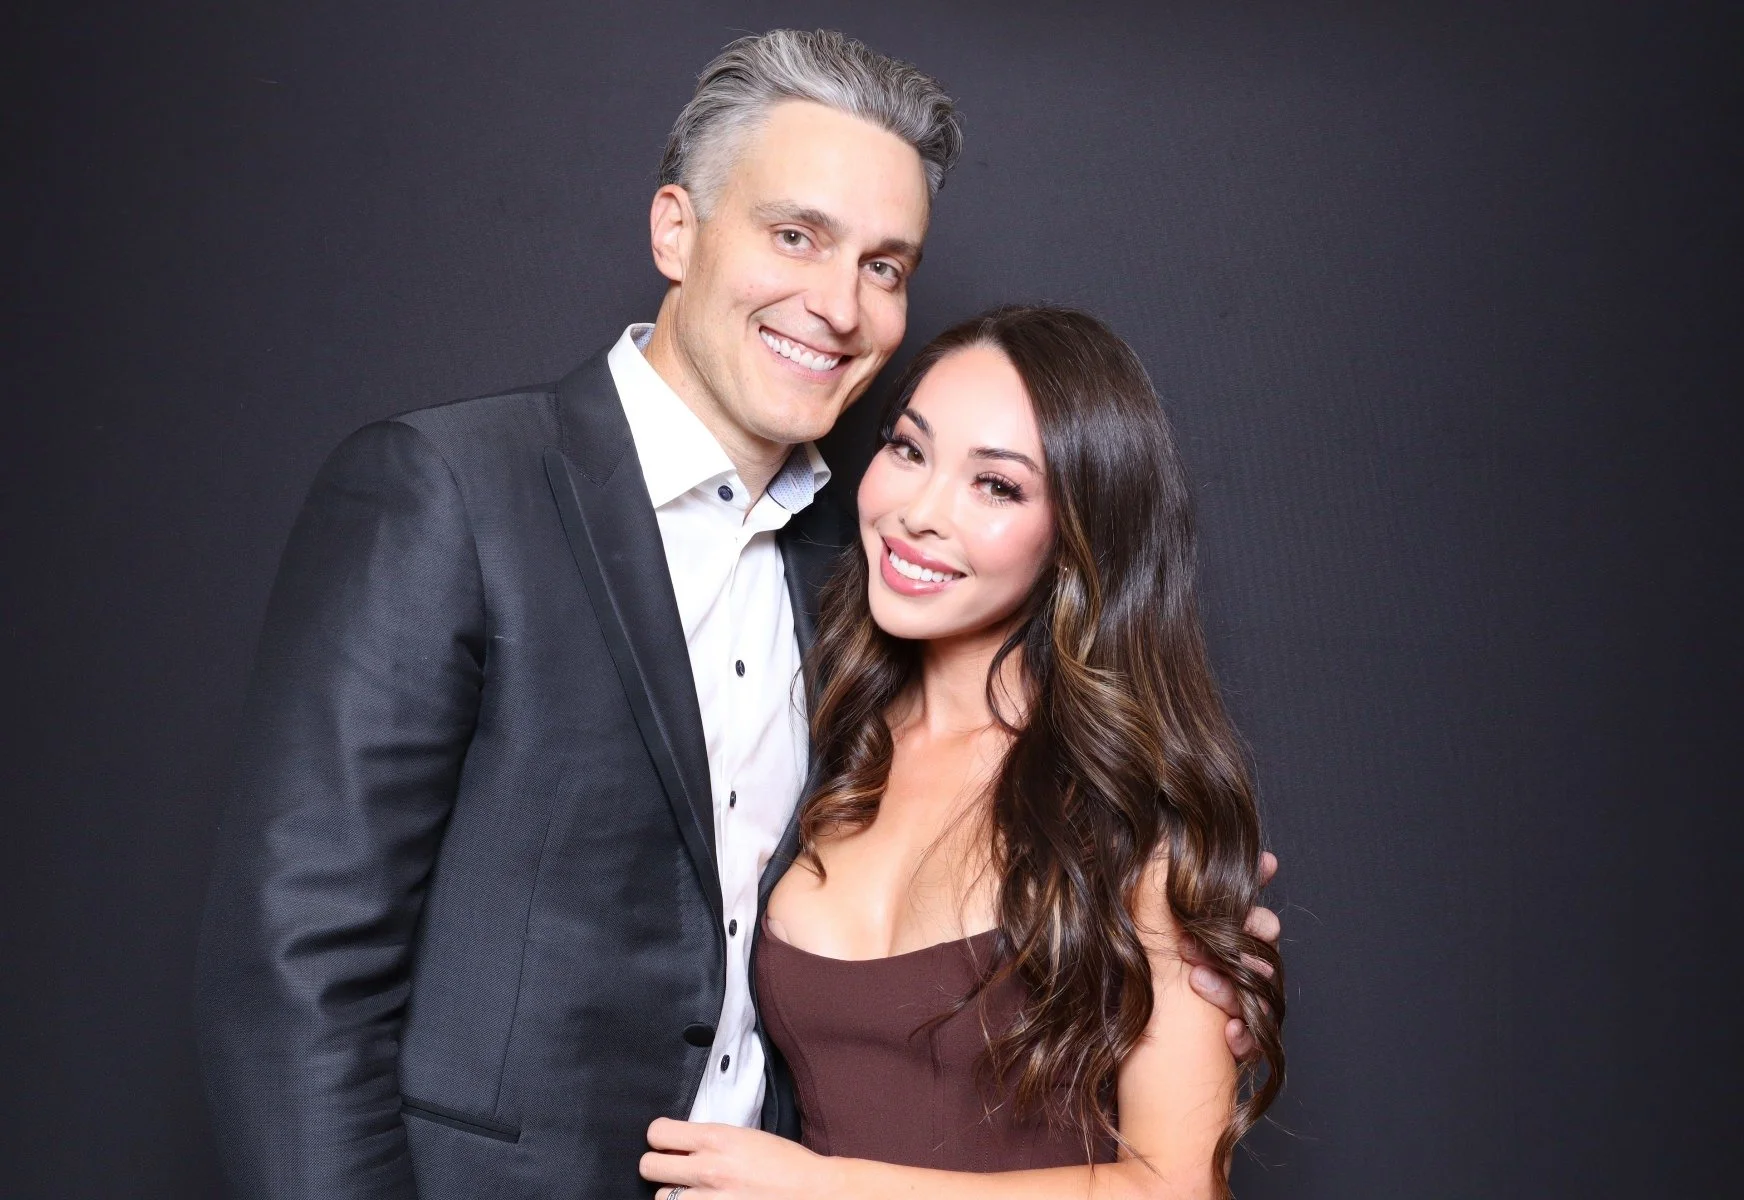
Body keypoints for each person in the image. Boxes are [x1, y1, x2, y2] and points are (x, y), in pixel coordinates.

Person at [194, 30, 1279, 1199]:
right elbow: (298, 965)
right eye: (796, 235)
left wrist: (1162, 929)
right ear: (676, 228)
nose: (838, 304)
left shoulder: (856, 582)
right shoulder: (451, 492)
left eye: (885, 265)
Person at [639, 306, 1283, 1200]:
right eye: (909, 449)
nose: (919, 513)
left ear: (1076, 537)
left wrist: (826, 1192)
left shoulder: (1132, 810)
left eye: (997, 487)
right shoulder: (818, 734)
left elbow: (1177, 1189)